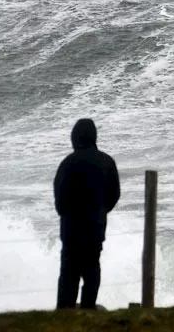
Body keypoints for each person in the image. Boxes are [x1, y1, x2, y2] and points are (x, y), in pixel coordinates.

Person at [54, 118, 120, 309]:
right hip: (95, 226)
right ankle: (88, 307)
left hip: (71, 228)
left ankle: (65, 312)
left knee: (69, 272)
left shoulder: (67, 164)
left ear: (75, 138)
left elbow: (59, 199)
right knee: (92, 268)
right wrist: (100, 210)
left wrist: (67, 214)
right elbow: (114, 194)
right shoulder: (107, 162)